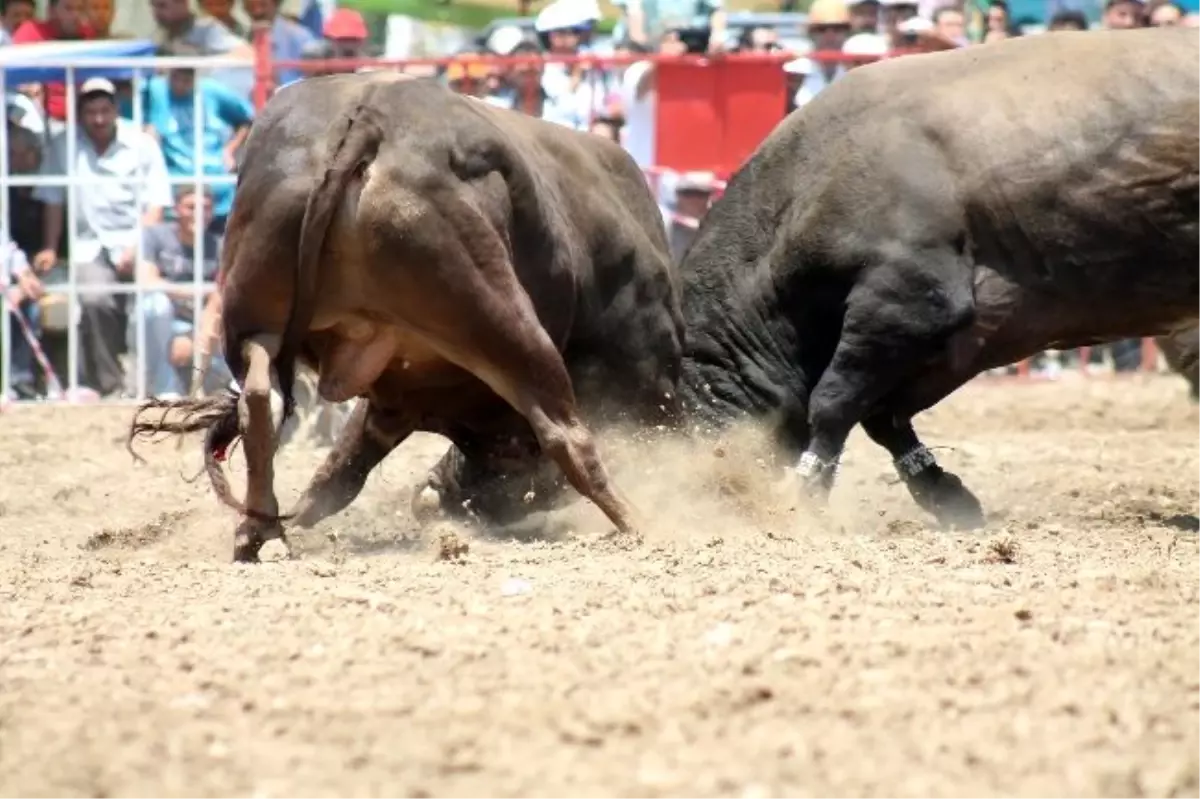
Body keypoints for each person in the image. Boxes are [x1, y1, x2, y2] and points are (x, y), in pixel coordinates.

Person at [32, 78, 173, 398]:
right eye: (91, 112)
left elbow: (156, 203)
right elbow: (53, 199)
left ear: (115, 110)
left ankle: (160, 383)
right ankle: (111, 383)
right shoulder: (63, 143)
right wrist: (50, 247)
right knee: (96, 298)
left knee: (155, 303)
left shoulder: (141, 143)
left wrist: (139, 245)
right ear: (80, 113)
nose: (98, 119)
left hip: (138, 239)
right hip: (88, 244)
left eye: (105, 111)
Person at [144, 41, 254, 236]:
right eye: (176, 77)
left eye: (187, 79)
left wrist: (230, 150)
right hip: (176, 197)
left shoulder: (211, 90)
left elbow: (248, 119)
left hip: (218, 196)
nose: (180, 85)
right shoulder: (154, 91)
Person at [130, 185, 224, 398]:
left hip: (201, 326)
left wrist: (194, 337)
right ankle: (165, 389)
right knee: (156, 304)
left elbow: (223, 293)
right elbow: (147, 281)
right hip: (157, 325)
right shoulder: (154, 235)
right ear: (177, 209)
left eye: (206, 208)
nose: (199, 214)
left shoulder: (219, 244)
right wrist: (198, 291)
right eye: (191, 207)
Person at [11, 0, 97, 127]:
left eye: (80, 9)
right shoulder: (30, 32)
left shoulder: (88, 36)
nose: (75, 15)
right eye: (69, 9)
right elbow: (13, 75)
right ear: (51, 11)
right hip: (39, 119)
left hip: (84, 121)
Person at [242, 0, 317, 88]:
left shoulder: (300, 36)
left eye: (263, 5)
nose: (258, 11)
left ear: (276, 3)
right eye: (251, 7)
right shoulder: (244, 39)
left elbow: (314, 79)